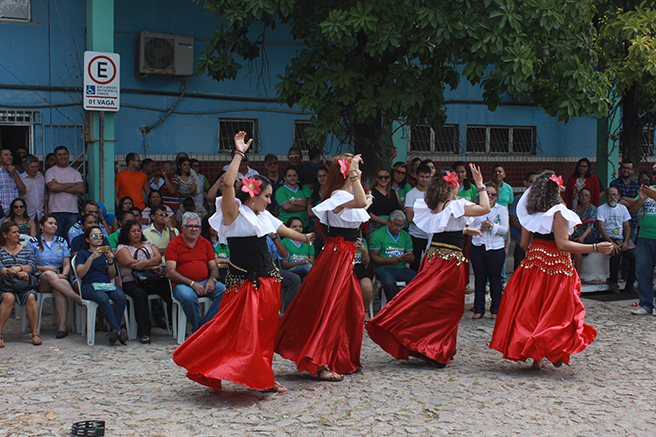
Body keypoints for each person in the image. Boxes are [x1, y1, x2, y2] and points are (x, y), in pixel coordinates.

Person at [173, 131, 312, 392]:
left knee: (266, 331)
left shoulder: (262, 216)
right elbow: (228, 185)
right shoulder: (234, 214)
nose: (270, 201)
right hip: (245, 283)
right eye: (267, 196)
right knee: (240, 331)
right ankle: (238, 371)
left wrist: (305, 236)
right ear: (253, 194)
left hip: (268, 280)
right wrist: (238, 153)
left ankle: (263, 376)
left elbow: (283, 229)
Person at [366, 165, 489, 368]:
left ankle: (431, 346)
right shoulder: (455, 205)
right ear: (452, 185)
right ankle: (434, 348)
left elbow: (445, 226)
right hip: (449, 261)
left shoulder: (435, 204)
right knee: (449, 306)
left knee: (431, 301)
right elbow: (485, 208)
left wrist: (466, 230)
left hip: (436, 257)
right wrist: (480, 184)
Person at [490, 172, 613, 369]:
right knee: (557, 312)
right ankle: (553, 349)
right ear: (556, 191)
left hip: (533, 265)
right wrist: (596, 247)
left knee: (532, 310)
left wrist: (539, 254)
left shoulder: (531, 210)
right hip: (557, 268)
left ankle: (537, 358)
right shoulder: (559, 212)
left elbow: (523, 243)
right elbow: (563, 244)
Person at [276, 152, 370, 382]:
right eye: (355, 168)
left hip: (346, 254)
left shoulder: (345, 194)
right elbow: (360, 202)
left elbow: (361, 205)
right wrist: (356, 177)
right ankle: (320, 363)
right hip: (337, 255)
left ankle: (341, 356)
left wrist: (366, 197)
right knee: (331, 308)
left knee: (353, 307)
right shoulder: (338, 194)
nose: (358, 171)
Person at [165, 212, 225, 333]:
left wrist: (212, 280)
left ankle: (203, 327)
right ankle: (200, 330)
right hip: (182, 285)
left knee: (225, 291)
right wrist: (192, 283)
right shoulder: (174, 245)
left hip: (204, 281)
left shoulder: (205, 243)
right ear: (182, 227)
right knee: (188, 297)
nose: (194, 229)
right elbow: (170, 272)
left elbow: (214, 268)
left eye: (197, 227)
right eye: (190, 226)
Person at [115, 220, 172, 344]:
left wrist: (144, 265)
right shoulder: (122, 248)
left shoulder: (149, 244)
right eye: (133, 231)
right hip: (131, 281)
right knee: (140, 294)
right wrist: (150, 266)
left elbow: (158, 259)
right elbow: (130, 263)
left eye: (138, 230)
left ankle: (175, 324)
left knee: (169, 289)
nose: (137, 233)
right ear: (127, 233)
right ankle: (144, 332)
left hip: (151, 279)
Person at [26, 214, 83, 338]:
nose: (54, 226)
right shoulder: (33, 242)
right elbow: (28, 264)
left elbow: (66, 263)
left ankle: (62, 327)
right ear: (41, 226)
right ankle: (76, 298)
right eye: (50, 223)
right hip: (40, 278)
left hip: (59, 277)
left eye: (55, 224)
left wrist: (64, 274)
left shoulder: (61, 241)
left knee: (58, 291)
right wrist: (43, 268)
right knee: (48, 274)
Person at [75, 226, 128, 345]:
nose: (99, 238)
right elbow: (80, 273)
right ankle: (117, 330)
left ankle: (114, 331)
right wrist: (91, 258)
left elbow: (111, 275)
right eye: (94, 236)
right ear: (87, 239)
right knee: (103, 298)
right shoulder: (82, 254)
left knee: (121, 296)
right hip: (89, 285)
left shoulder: (105, 253)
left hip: (105, 284)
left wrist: (110, 262)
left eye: (101, 236)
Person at [469, 183, 509, 319]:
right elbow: (469, 227)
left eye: (493, 194)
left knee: (495, 280)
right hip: (478, 246)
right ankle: (478, 309)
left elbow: (504, 229)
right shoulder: (476, 208)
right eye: (488, 193)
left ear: (497, 196)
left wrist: (491, 226)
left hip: (495, 248)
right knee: (480, 279)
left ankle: (495, 310)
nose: (490, 196)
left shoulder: (502, 209)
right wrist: (481, 226)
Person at [0, 220, 42, 347]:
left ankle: (35, 333)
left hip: (24, 284)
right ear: (5, 235)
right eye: (14, 232)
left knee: (30, 296)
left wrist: (20, 268)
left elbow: (33, 266)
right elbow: (1, 269)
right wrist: (15, 273)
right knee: (8, 297)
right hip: (6, 285)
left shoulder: (26, 250)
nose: (18, 234)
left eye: (18, 232)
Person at [369, 210, 417, 301]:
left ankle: (409, 305)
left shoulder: (405, 236)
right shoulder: (378, 234)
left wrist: (408, 258)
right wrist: (388, 260)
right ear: (388, 222)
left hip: (401, 268)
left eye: (401, 226)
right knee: (389, 282)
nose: (399, 229)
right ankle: (391, 306)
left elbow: (412, 258)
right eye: (396, 225)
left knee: (418, 280)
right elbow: (373, 257)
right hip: (384, 268)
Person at [597, 187, 636, 293]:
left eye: (615, 195)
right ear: (606, 196)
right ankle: (613, 281)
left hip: (621, 239)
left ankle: (630, 285)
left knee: (635, 257)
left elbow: (627, 227)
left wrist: (626, 241)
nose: (612, 197)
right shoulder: (601, 209)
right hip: (606, 238)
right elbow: (601, 227)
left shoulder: (623, 208)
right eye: (610, 195)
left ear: (619, 196)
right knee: (616, 252)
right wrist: (611, 243)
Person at [629, 182, 656, 315]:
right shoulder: (650, 191)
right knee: (643, 272)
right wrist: (641, 199)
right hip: (645, 235)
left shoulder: (653, 192)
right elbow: (633, 209)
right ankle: (646, 305)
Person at [45, 147, 84, 239]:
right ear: (55, 157)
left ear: (68, 155)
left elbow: (80, 188)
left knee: (71, 238)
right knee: (55, 238)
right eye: (59, 154)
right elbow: (52, 187)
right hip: (55, 211)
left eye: (64, 154)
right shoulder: (50, 171)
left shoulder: (75, 172)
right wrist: (71, 184)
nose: (62, 156)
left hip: (72, 211)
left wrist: (59, 186)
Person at [404, 163, 432, 271]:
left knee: (428, 267)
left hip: (431, 236)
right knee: (415, 266)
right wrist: (429, 216)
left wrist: (419, 216)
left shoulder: (433, 194)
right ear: (416, 176)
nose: (424, 180)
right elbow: (410, 218)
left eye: (427, 177)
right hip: (415, 235)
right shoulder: (411, 194)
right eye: (422, 176)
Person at [509, 172, 537, 270]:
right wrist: (528, 229)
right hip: (521, 241)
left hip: (538, 244)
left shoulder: (542, 201)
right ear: (525, 182)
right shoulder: (518, 199)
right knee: (519, 272)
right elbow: (512, 221)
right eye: (532, 181)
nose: (534, 185)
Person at [570, 188, 599, 273]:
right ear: (578, 197)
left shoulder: (592, 209)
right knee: (571, 246)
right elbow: (572, 225)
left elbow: (590, 226)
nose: (584, 197)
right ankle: (569, 272)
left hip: (589, 235)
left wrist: (582, 237)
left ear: (590, 198)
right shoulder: (574, 210)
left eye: (586, 196)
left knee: (577, 246)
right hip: (577, 235)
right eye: (582, 195)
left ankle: (577, 274)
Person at [367, 168, 401, 239]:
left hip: (392, 227)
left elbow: (397, 210)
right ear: (376, 178)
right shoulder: (370, 192)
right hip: (375, 226)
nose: (383, 179)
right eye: (380, 177)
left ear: (389, 179)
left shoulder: (394, 193)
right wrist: (384, 222)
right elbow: (368, 212)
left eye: (386, 177)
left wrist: (390, 223)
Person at [610, 162, 640, 240]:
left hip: (632, 221)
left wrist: (623, 198)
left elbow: (638, 201)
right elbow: (616, 201)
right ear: (620, 169)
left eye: (628, 168)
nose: (626, 170)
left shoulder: (636, 186)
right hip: (616, 221)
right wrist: (632, 203)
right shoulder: (614, 183)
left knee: (630, 248)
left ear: (632, 171)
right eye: (624, 168)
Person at [280, 217, 315, 282]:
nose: (298, 229)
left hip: (307, 270)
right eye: (294, 226)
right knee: (308, 268)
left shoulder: (308, 241)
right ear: (288, 228)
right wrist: (300, 263)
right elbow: (284, 265)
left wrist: (306, 262)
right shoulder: (284, 242)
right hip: (290, 271)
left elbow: (312, 262)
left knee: (307, 279)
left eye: (300, 226)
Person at [200, 215, 229, 283]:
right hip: (209, 277)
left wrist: (217, 262)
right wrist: (224, 261)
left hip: (225, 276)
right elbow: (205, 263)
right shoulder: (202, 242)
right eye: (213, 225)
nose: (216, 228)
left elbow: (231, 261)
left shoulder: (225, 242)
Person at [0, 146, 27, 213]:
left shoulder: (16, 172)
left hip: (14, 212)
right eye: (6, 155)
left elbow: (23, 191)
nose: (9, 157)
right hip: (1, 212)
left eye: (10, 155)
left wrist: (15, 174)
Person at [20, 155, 46, 221]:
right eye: (32, 167)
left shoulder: (41, 178)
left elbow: (45, 196)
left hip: (40, 214)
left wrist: (46, 211)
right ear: (26, 167)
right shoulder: (21, 178)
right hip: (26, 214)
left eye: (36, 167)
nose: (34, 169)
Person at [353, 234, 373, 323]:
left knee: (367, 285)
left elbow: (366, 262)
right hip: (344, 268)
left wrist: (364, 252)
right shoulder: (340, 240)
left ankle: (365, 311)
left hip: (358, 267)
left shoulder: (362, 240)